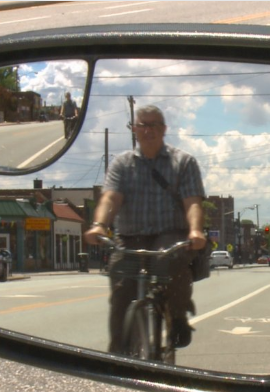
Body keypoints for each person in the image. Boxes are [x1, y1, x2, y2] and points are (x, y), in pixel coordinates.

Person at [83, 105, 206, 354]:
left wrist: (195, 230)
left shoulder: (183, 162)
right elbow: (110, 199)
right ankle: (119, 355)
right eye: (143, 125)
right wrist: (99, 225)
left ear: (164, 129)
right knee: (120, 291)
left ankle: (177, 315)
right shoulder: (122, 164)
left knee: (169, 264)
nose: (148, 130)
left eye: (154, 125)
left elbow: (192, 201)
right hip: (129, 237)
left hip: (169, 233)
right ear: (134, 129)